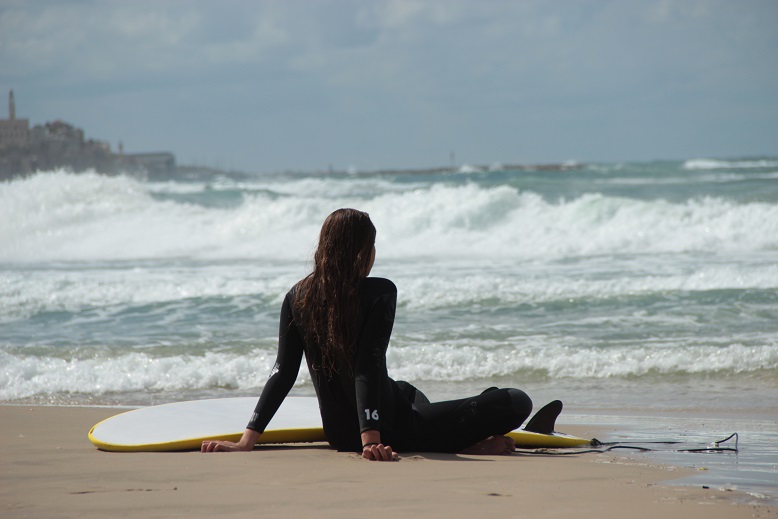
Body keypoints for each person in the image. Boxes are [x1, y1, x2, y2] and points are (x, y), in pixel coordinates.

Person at [202, 208, 533, 461]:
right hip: (385, 430)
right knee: (514, 400)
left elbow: (283, 372)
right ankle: (468, 441)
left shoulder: (297, 296)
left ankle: (463, 439)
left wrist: (247, 441)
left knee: (405, 389)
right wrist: (371, 440)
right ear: (362, 252)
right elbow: (368, 364)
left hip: (339, 434)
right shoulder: (380, 292)